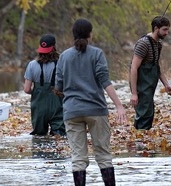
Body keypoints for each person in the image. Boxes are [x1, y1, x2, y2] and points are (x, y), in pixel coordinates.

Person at [55, 19, 128, 186]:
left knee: (78, 158)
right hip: (96, 110)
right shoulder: (97, 54)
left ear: (73, 35)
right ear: (90, 34)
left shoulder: (64, 57)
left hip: (72, 111)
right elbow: (105, 81)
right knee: (103, 155)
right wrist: (119, 105)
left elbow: (58, 86)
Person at [129, 15, 171, 131]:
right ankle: (139, 144)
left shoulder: (158, 44)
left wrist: (166, 84)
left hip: (150, 85)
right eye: (164, 29)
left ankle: (143, 143)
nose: (167, 33)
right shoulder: (143, 44)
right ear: (156, 28)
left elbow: (156, 66)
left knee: (149, 113)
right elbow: (133, 68)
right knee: (143, 114)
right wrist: (134, 93)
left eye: (167, 29)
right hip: (141, 85)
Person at [23, 34, 66, 137]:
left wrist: (37, 91)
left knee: (38, 138)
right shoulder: (62, 63)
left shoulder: (32, 65)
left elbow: (26, 89)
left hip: (39, 107)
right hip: (58, 106)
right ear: (54, 47)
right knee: (59, 137)